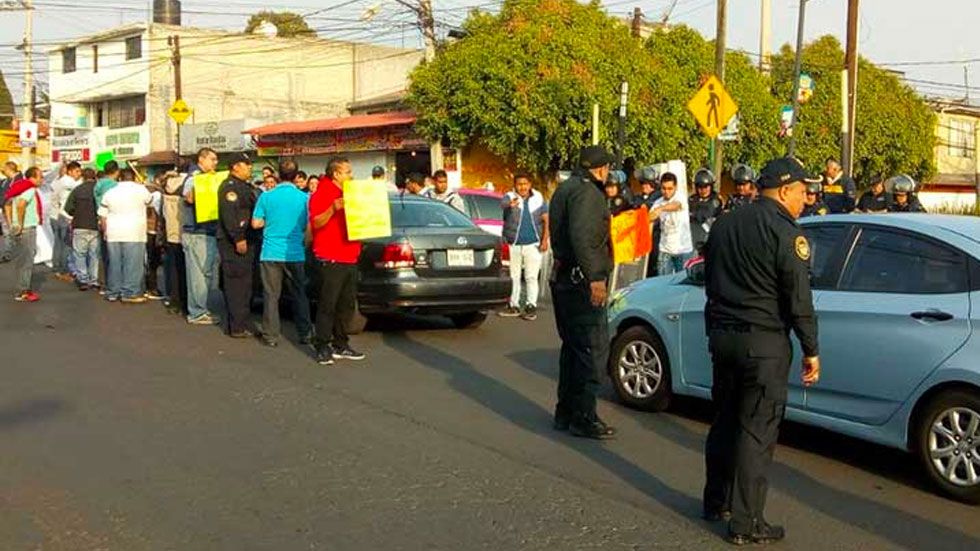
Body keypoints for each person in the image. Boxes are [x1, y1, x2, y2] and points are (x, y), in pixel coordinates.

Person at [702, 156, 820, 545]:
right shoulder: (787, 234)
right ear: (785, 190)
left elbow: (709, 277)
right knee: (756, 432)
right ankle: (746, 522)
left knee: (724, 421)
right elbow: (798, 297)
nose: (807, 199)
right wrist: (810, 349)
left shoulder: (725, 222)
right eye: (803, 191)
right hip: (763, 343)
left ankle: (715, 501)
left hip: (723, 337)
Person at [548, 145, 616, 440]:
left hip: (564, 277)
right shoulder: (588, 193)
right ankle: (584, 416)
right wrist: (596, 279)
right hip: (580, 281)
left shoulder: (565, 189)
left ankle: (566, 411)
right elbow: (583, 237)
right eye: (608, 168)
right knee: (591, 349)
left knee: (572, 348)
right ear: (600, 169)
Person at [309, 157, 366, 365]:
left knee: (346, 305)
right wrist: (333, 208)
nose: (352, 175)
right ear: (336, 174)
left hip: (350, 255)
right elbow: (316, 222)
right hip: (330, 256)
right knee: (328, 305)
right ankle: (322, 345)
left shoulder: (352, 193)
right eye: (348, 172)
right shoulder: (322, 193)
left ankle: (341, 344)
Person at [252, 159, 314, 348]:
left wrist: (269, 222)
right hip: (295, 252)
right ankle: (305, 333)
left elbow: (256, 223)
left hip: (270, 252)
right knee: (299, 294)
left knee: (271, 295)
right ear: (297, 176)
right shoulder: (304, 198)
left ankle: (271, 335)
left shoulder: (267, 197)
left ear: (278, 175)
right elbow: (309, 227)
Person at [217, 153, 259, 338]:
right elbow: (230, 215)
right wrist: (238, 238)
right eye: (246, 164)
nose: (249, 167)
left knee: (246, 284)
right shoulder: (230, 188)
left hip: (249, 240)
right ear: (235, 167)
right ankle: (236, 326)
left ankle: (242, 321)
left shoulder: (246, 187)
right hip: (234, 242)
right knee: (236, 284)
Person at [499, 173, 549, 321]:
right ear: (515, 186)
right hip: (514, 243)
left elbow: (546, 220)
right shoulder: (510, 197)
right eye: (519, 184)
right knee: (514, 276)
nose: (522, 187)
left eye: (525, 184)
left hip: (533, 243)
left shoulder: (538, 198)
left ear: (530, 185)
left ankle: (530, 306)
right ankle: (513, 305)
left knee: (531, 277)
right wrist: (510, 205)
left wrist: (545, 240)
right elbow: (502, 204)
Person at [99, 168, 152, 304]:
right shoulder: (141, 190)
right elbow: (150, 202)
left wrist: (105, 231)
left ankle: (113, 292)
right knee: (133, 264)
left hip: (113, 231)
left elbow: (102, 215)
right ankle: (130, 292)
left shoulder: (110, 192)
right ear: (134, 177)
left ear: (119, 178)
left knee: (114, 264)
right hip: (134, 231)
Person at [181, 147, 222, 325]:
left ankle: (200, 309)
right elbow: (189, 198)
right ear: (202, 159)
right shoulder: (194, 178)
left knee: (204, 274)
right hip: (196, 232)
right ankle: (197, 312)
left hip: (206, 231)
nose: (215, 163)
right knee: (198, 274)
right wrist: (205, 182)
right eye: (212, 159)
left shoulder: (207, 178)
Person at [4, 167, 42, 302]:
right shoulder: (29, 189)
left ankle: (22, 288)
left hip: (19, 228)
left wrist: (11, 223)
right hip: (26, 228)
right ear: (33, 177)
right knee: (27, 260)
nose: (41, 180)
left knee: (22, 260)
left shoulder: (18, 188)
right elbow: (21, 205)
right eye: (40, 176)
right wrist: (19, 223)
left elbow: (7, 205)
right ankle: (23, 291)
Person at [64, 168, 101, 291]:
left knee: (80, 254)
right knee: (94, 255)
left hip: (79, 225)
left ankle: (83, 279)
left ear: (83, 177)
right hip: (95, 225)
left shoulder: (77, 190)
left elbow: (68, 208)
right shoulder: (98, 190)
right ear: (95, 177)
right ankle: (94, 280)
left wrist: (77, 212)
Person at [651, 172, 694, 275]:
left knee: (684, 284)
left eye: (670, 188)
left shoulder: (681, 197)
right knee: (663, 283)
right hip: (665, 249)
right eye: (664, 188)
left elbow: (676, 206)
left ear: (676, 187)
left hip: (683, 250)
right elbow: (650, 219)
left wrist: (661, 208)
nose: (666, 192)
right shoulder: (657, 202)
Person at [161, 170, 188, 316]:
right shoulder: (186, 187)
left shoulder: (165, 191)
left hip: (170, 234)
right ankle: (185, 302)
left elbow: (162, 215)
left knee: (172, 268)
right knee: (186, 270)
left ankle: (173, 301)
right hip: (185, 232)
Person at [50, 161, 82, 281]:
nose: (79, 174)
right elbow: (80, 187)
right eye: (77, 171)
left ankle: (57, 268)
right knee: (66, 245)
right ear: (69, 171)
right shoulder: (69, 182)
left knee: (58, 244)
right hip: (64, 216)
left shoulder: (58, 181)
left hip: (55, 215)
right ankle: (63, 270)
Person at [94, 161, 120, 290]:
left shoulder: (98, 184)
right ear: (116, 171)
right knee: (115, 253)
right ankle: (113, 283)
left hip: (99, 218)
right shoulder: (115, 186)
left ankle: (102, 281)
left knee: (103, 252)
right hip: (113, 220)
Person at [689, 168, 724, 249]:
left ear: (711, 186)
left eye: (706, 186)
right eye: (700, 187)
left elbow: (710, 215)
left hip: (709, 238)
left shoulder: (716, 200)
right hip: (693, 239)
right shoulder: (691, 200)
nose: (703, 190)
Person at [144, 174, 165, 300]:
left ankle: (149, 286)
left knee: (148, 261)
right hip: (154, 231)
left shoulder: (148, 193)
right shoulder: (158, 195)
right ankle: (152, 288)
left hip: (145, 230)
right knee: (153, 261)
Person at [0, 161, 23, 262]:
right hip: (4, 210)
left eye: (4, 169)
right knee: (7, 232)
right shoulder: (6, 181)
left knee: (14, 231)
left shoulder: (18, 180)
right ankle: (8, 253)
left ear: (9, 169)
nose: (3, 171)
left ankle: (15, 253)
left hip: (13, 210)